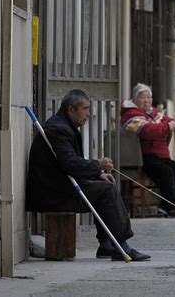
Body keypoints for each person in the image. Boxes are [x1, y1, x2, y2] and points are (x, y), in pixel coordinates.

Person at [26, 89, 151, 261]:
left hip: (60, 187)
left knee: (104, 186)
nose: (88, 114)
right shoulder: (58, 129)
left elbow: (71, 163)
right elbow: (70, 164)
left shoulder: (65, 126)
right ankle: (120, 245)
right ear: (71, 110)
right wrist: (98, 165)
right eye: (84, 109)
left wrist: (98, 174)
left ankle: (107, 244)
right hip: (53, 193)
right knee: (106, 191)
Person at [120, 83, 175, 218]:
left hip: (161, 155)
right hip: (145, 156)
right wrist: (166, 126)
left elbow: (169, 120)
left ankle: (166, 206)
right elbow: (148, 131)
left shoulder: (152, 113)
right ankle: (171, 206)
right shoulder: (130, 115)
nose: (147, 101)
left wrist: (166, 124)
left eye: (149, 97)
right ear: (134, 99)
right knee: (166, 172)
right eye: (143, 97)